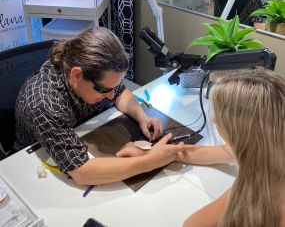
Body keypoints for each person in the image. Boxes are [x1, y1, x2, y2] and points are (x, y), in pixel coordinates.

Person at [15, 27, 184, 185]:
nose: (111, 95)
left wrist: (142, 117)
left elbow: (120, 93)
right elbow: (82, 172)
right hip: (35, 160)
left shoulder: (94, 73)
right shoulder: (44, 104)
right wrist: (151, 161)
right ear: (76, 75)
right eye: (104, 89)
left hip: (82, 132)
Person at [117, 70, 285, 227]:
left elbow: (191, 224)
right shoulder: (270, 146)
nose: (214, 121)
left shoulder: (260, 191)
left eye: (220, 116)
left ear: (242, 131)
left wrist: (146, 160)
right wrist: (151, 152)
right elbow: (207, 153)